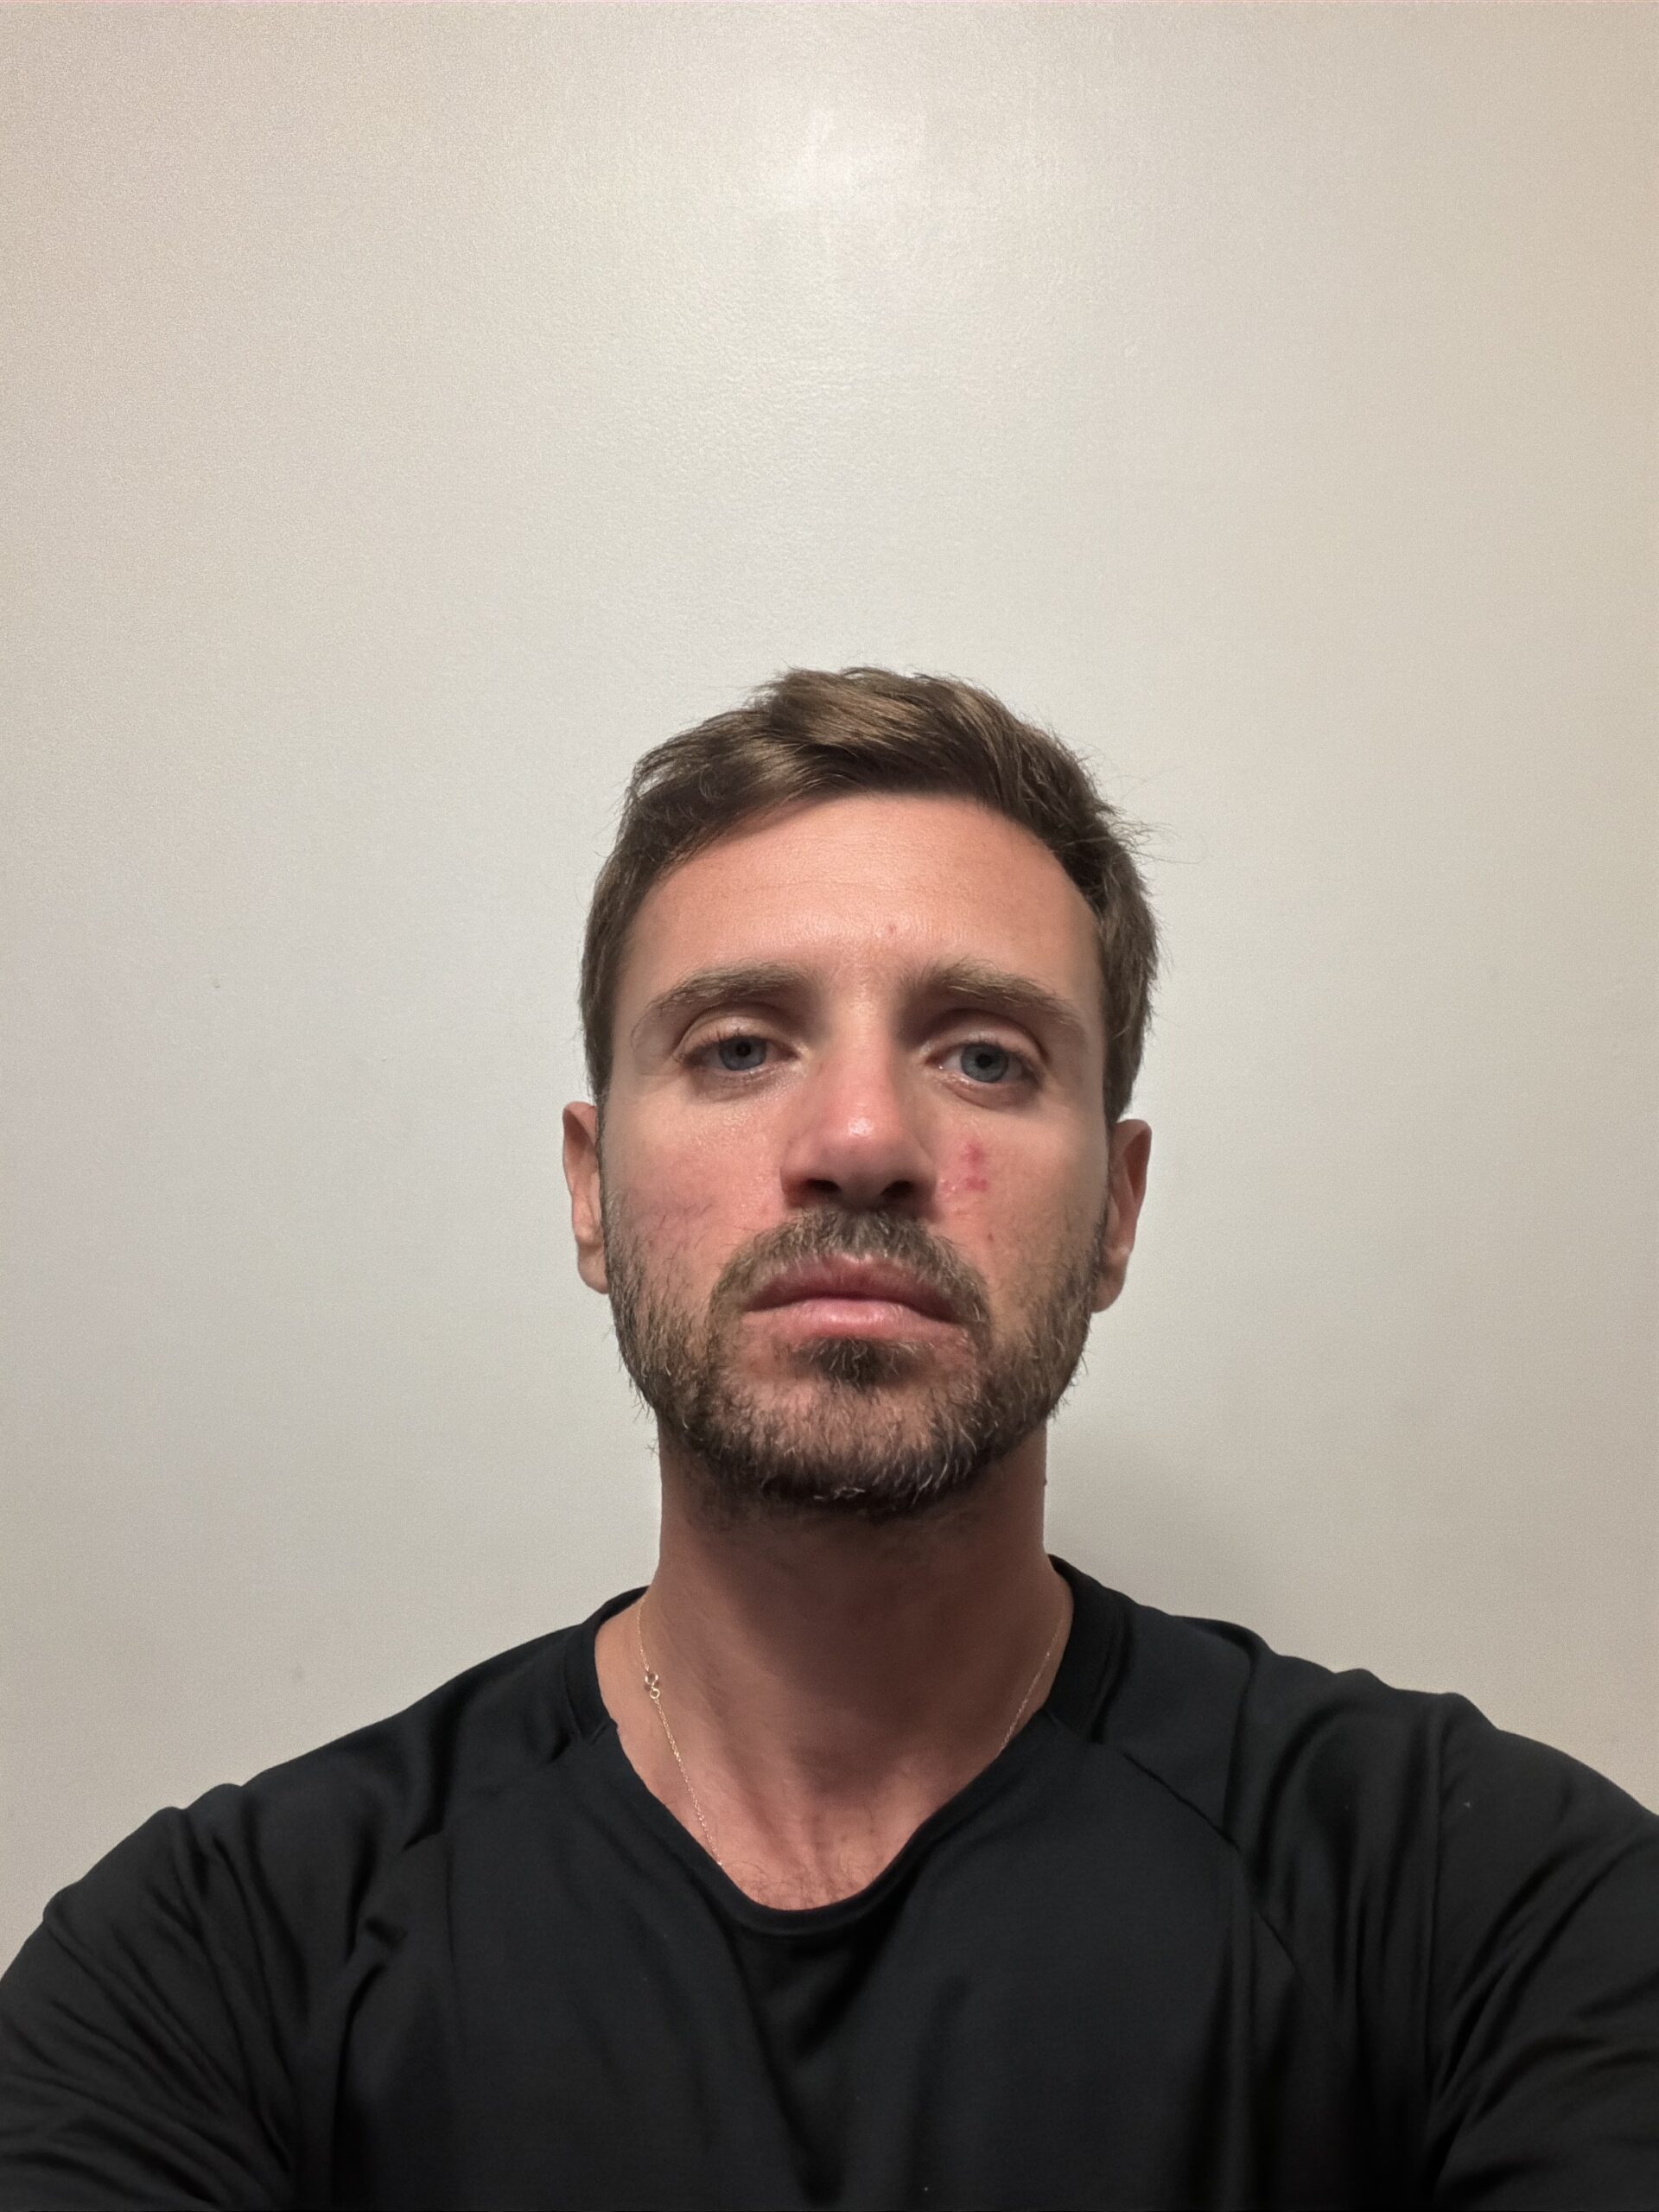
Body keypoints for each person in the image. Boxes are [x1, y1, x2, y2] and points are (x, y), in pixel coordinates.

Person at [2, 667, 1655, 2212]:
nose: (862, 1139)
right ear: (591, 1193)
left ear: (1116, 1211)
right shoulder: (210, 1970)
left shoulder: (1498, 1912)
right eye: (739, 1047)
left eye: (985, 1056)